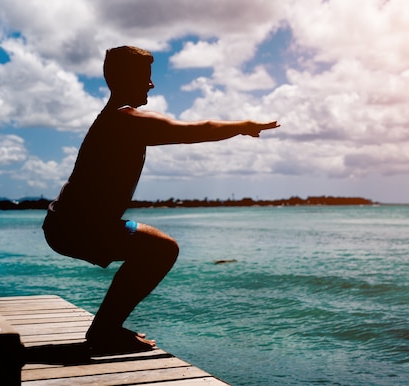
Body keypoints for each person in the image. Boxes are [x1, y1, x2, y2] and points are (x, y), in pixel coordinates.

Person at [43, 45, 279, 354]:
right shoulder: (125, 121)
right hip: (74, 229)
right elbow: (194, 130)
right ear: (125, 79)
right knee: (161, 249)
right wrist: (243, 126)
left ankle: (105, 329)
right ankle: (104, 331)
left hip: (74, 224)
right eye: (145, 78)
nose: (151, 85)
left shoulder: (116, 120)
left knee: (158, 247)